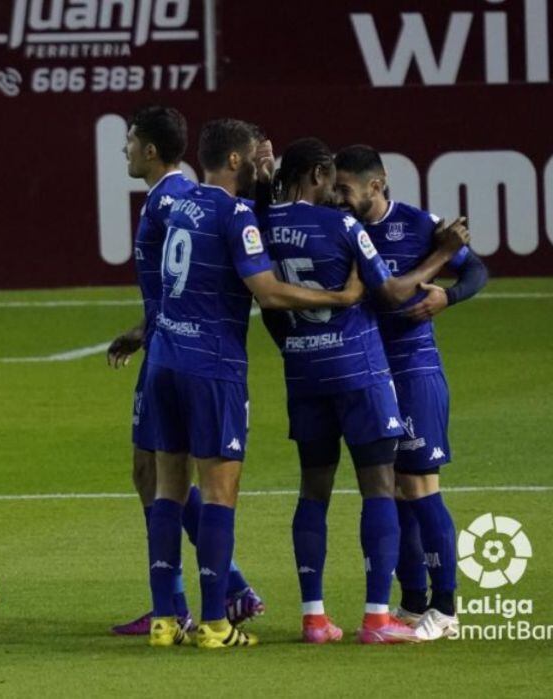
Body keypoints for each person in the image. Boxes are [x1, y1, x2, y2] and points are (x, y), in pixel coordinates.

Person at [144, 120, 365, 650]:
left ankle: (164, 619)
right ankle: (216, 624)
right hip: (211, 365)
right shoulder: (235, 213)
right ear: (238, 161)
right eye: (255, 160)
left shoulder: (180, 203)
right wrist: (340, 299)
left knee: (168, 489)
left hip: (165, 358)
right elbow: (267, 292)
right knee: (220, 494)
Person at [259, 137, 469, 644]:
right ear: (316, 175)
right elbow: (393, 293)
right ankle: (379, 617)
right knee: (383, 486)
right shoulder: (344, 226)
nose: (334, 189)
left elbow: (267, 303)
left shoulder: (261, 225)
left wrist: (295, 344)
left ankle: (314, 617)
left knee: (313, 490)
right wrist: (444, 252)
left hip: (304, 372)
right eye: (329, 178)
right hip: (358, 371)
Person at [107, 106, 264, 637]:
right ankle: (192, 600)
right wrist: (142, 327)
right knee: (147, 472)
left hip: (184, 350)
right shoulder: (166, 197)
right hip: (167, 343)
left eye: (129, 141)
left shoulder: (176, 198)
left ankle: (213, 593)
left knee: (164, 476)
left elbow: (197, 268)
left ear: (151, 151)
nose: (124, 149)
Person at [335, 144, 489, 641]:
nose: (338, 196)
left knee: (421, 487)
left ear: (376, 186)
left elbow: (476, 269)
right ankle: (412, 601)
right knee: (393, 488)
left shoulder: (420, 224)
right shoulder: (342, 230)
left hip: (414, 369)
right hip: (369, 374)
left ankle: (446, 608)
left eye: (346, 189)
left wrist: (449, 296)